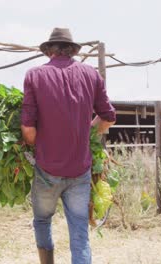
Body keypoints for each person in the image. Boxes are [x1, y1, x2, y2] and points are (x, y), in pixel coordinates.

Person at [21, 28, 116, 264]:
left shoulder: (34, 76)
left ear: (49, 51)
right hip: (79, 170)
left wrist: (38, 143)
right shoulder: (91, 75)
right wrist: (86, 132)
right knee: (79, 234)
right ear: (72, 50)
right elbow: (108, 117)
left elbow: (28, 131)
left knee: (42, 221)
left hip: (47, 170)